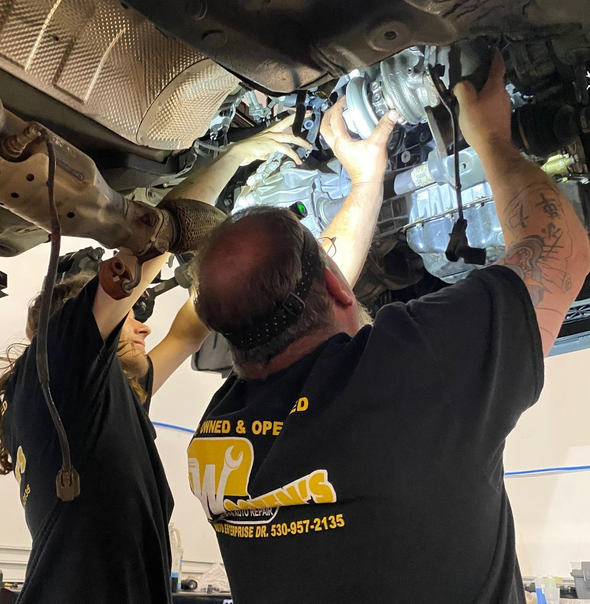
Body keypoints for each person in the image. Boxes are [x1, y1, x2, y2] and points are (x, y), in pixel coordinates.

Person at [187, 53, 590, 604]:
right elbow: (560, 253)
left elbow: (300, 299)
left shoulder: (217, 439)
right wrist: (493, 138)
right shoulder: (411, 377)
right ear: (334, 287)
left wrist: (365, 181)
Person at [0, 116, 312, 604]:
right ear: (78, 323)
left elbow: (187, 333)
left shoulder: (92, 401)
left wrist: (250, 264)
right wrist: (235, 155)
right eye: (131, 319)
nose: (145, 328)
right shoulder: (60, 362)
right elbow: (157, 236)